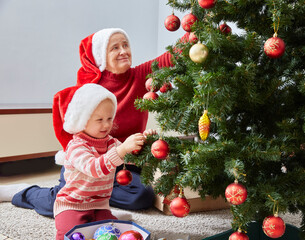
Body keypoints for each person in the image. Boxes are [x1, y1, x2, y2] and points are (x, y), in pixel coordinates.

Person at [0, 28, 189, 217]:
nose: (123, 51)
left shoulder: (140, 76)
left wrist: (197, 27)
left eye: (125, 45)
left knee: (141, 196)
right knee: (59, 204)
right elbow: (75, 137)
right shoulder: (90, 87)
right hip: (88, 161)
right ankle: (23, 192)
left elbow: (170, 57)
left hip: (122, 162)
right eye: (114, 48)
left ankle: (97, 196)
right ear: (100, 55)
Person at [52, 83, 155, 239]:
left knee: (112, 232)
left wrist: (144, 144)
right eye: (99, 119)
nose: (106, 124)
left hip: (99, 205)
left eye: (109, 118)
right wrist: (121, 150)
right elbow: (93, 168)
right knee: (70, 234)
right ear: (83, 120)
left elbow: (132, 160)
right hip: (72, 205)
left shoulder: (111, 143)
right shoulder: (76, 146)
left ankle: (110, 216)